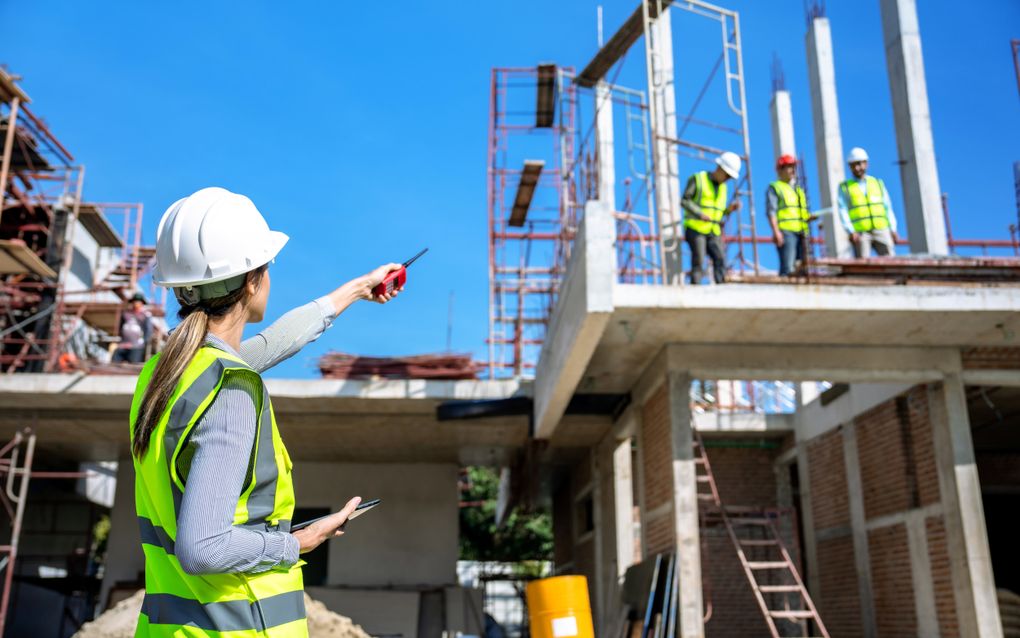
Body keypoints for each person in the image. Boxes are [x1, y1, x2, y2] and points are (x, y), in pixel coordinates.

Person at [130, 187, 403, 636]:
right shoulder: (231, 389)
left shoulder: (164, 375)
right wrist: (298, 541)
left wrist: (357, 289)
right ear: (253, 280)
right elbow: (203, 548)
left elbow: (275, 342)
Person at [681, 151, 742, 284]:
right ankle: (695, 289)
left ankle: (721, 287)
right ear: (720, 168)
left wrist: (729, 210)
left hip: (713, 230)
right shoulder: (698, 179)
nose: (727, 179)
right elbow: (685, 201)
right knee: (699, 259)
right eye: (727, 175)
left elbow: (718, 212)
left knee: (720, 258)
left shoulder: (723, 188)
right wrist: (699, 213)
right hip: (695, 228)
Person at [838, 147, 899, 257]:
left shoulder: (877, 183)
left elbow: (887, 207)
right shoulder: (845, 187)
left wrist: (893, 229)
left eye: (859, 164)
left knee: (890, 261)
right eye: (853, 165)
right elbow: (843, 210)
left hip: (881, 229)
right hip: (861, 233)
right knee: (863, 265)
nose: (857, 168)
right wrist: (851, 231)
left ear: (866, 164)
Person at [766, 155, 815, 276]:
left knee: (803, 267)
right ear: (780, 170)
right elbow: (771, 211)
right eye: (789, 167)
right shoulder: (776, 187)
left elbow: (802, 211)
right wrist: (776, 231)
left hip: (802, 232)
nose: (793, 170)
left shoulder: (799, 190)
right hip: (787, 232)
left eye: (793, 167)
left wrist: (809, 217)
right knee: (788, 267)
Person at [113, 292, 152, 363]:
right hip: (123, 344)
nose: (136, 303)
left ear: (142, 303)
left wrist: (144, 341)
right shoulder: (126, 313)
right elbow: (120, 326)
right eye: (135, 301)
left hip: (136, 345)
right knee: (115, 361)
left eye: (138, 301)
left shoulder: (145, 315)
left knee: (133, 363)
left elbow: (148, 330)